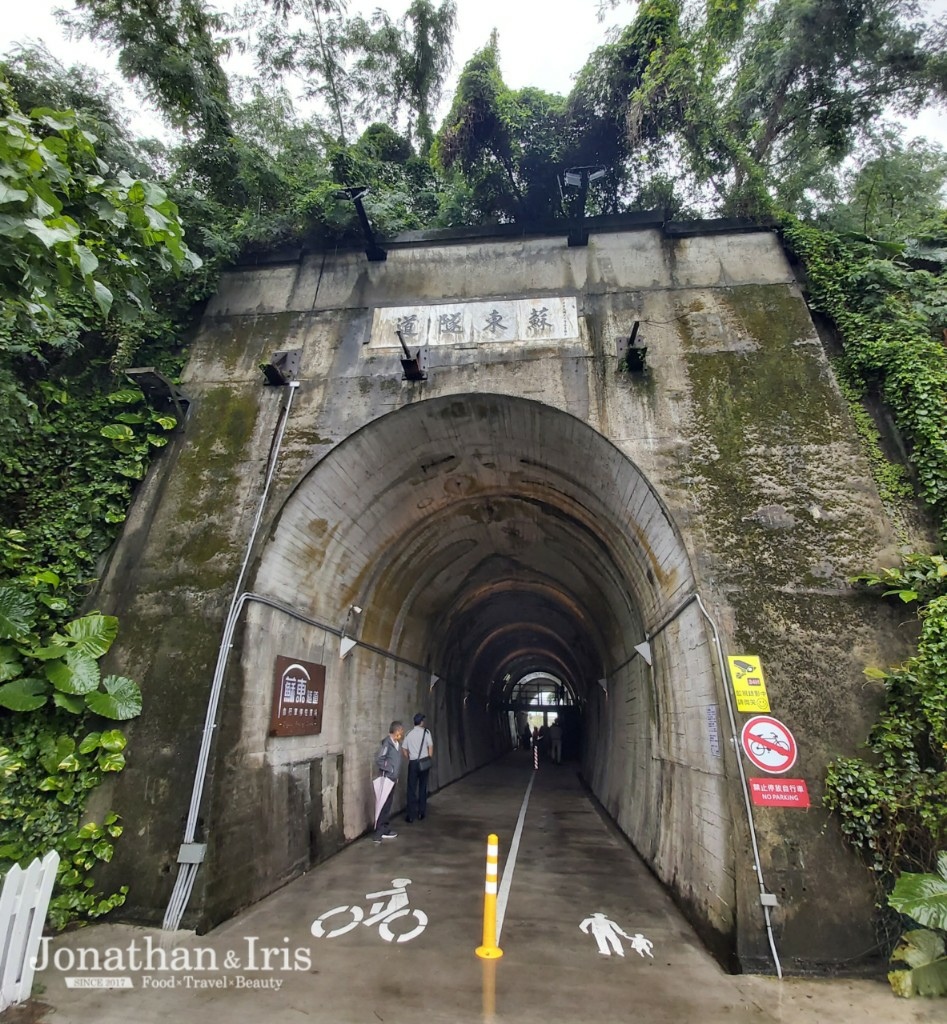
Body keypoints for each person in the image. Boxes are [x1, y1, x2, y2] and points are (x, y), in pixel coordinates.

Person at [373, 721, 404, 842]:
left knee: (388, 804)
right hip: (386, 779)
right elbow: (379, 759)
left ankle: (385, 827)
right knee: (383, 804)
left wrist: (395, 775)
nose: (402, 734)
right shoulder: (387, 744)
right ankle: (378, 832)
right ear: (396, 731)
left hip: (392, 779)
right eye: (401, 731)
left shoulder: (396, 744)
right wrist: (390, 769)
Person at [403, 712, 433, 822]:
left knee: (411, 789)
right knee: (422, 787)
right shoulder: (426, 732)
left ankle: (410, 815)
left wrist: (409, 757)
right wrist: (429, 758)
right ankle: (421, 812)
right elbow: (430, 747)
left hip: (413, 763)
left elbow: (404, 749)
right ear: (421, 722)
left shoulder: (408, 733)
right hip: (424, 763)